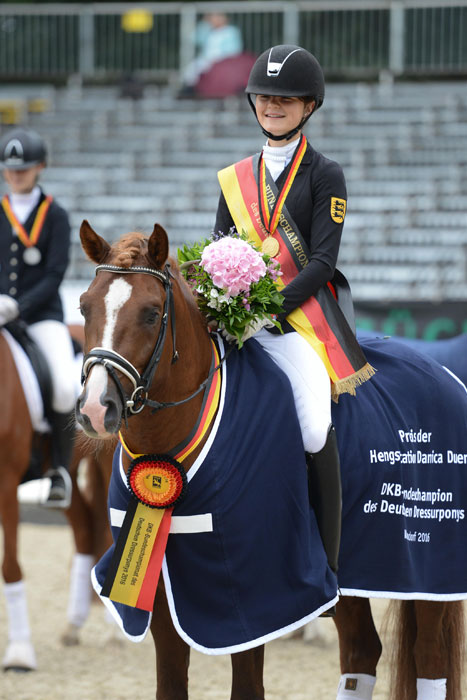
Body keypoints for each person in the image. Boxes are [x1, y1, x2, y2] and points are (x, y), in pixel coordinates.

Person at [214, 45, 375, 580]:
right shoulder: (235, 179)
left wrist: (269, 308)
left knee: (312, 426)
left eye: (286, 98)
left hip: (300, 323)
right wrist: (226, 308)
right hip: (240, 327)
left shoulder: (325, 174)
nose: (273, 105)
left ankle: (326, 563)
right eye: (265, 96)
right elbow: (220, 251)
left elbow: (324, 261)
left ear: (308, 106)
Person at [0, 127, 75, 508]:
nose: (16, 174)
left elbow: (54, 273)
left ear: (40, 168)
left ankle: (58, 469)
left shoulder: (56, 216)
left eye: (24, 168)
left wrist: (18, 306)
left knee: (64, 386)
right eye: (11, 169)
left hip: (41, 316)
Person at [179, 12, 243, 96]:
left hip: (223, 62)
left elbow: (234, 51)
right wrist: (204, 23)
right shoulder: (209, 31)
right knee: (192, 70)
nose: (215, 19)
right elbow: (193, 38)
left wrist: (219, 60)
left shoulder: (231, 32)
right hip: (206, 61)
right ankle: (191, 90)